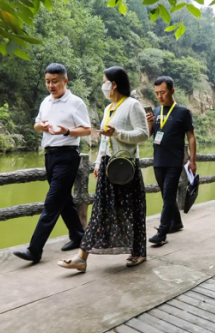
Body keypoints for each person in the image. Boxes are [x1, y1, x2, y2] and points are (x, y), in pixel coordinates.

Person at [58, 66, 150, 271]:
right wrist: (99, 162)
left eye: (104, 81)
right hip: (109, 166)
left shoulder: (132, 105)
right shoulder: (109, 108)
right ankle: (82, 257)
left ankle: (139, 252)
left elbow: (143, 134)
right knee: (100, 210)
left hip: (127, 167)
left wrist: (117, 133)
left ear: (114, 84)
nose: (103, 86)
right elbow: (103, 140)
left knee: (133, 210)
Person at [13, 63, 92, 263]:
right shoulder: (45, 102)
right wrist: (42, 126)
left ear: (65, 80)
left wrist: (66, 131)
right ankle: (79, 236)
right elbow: (37, 125)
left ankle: (35, 250)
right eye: (48, 81)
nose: (51, 85)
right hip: (50, 156)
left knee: (51, 202)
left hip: (67, 156)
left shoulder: (76, 103)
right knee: (63, 200)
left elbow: (86, 130)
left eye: (55, 81)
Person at [146, 76, 197, 246]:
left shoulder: (183, 112)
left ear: (172, 91)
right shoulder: (155, 111)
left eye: (163, 93)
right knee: (166, 195)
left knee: (168, 196)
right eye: (157, 93)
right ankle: (176, 222)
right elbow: (149, 135)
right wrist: (149, 123)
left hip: (175, 161)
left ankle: (162, 233)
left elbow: (191, 137)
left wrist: (193, 160)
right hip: (158, 160)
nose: (160, 96)